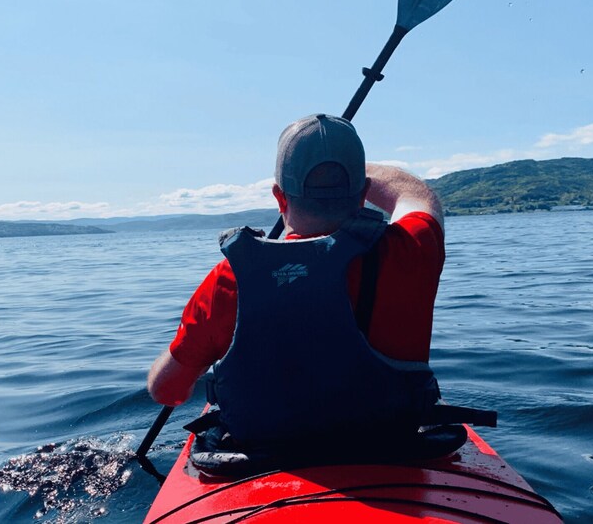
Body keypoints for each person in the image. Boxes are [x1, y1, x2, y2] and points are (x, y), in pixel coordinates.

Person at [147, 113, 452, 450]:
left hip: (266, 454)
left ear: (279, 197)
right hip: (391, 445)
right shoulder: (412, 248)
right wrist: (348, 167)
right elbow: (414, 194)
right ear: (364, 192)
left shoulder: (229, 280)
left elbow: (167, 391)